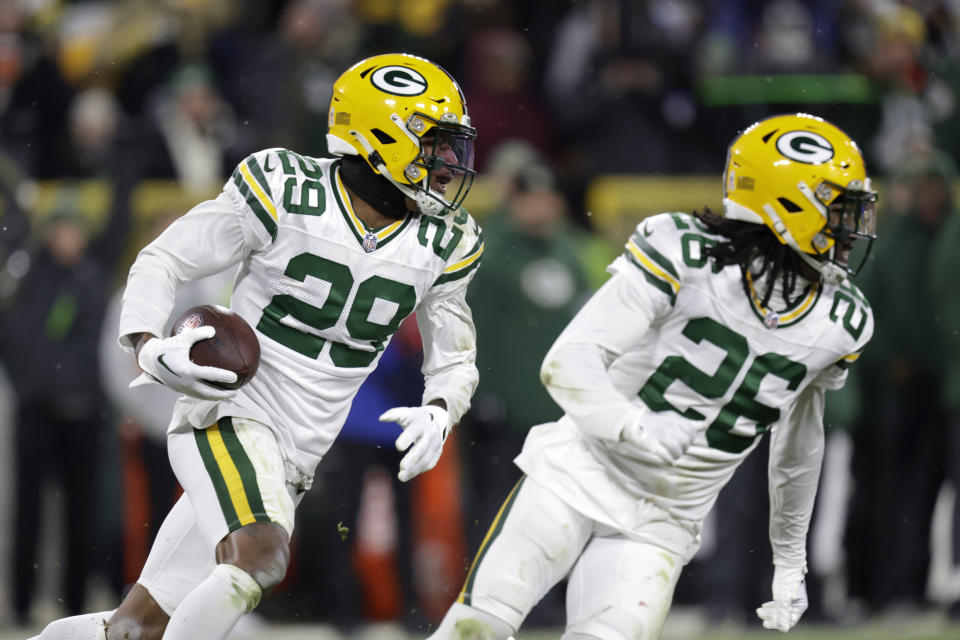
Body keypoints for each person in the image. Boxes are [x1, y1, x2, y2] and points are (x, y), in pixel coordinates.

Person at [31, 52, 482, 640]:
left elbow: (455, 356)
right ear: (381, 137)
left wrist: (442, 410)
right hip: (231, 416)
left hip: (298, 454)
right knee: (260, 559)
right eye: (434, 145)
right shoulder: (287, 188)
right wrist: (146, 345)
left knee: (136, 629)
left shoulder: (447, 240)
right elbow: (163, 257)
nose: (448, 163)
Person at [428, 113, 878, 640]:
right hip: (580, 472)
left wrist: (789, 562)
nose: (853, 227)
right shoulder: (684, 251)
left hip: (662, 522)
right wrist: (635, 427)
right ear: (791, 204)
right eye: (840, 208)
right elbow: (566, 362)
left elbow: (798, 450)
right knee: (477, 628)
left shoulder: (843, 320)